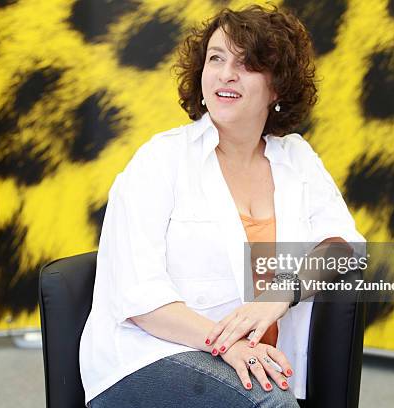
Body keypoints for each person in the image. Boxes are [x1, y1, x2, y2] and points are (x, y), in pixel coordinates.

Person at [79, 5, 366, 407]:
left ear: (277, 87)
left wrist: (280, 293)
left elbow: (346, 248)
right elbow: (140, 299)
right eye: (216, 58)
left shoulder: (297, 158)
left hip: (258, 361)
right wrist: (225, 344)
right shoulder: (160, 159)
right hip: (150, 355)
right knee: (270, 402)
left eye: (247, 63)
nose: (226, 73)